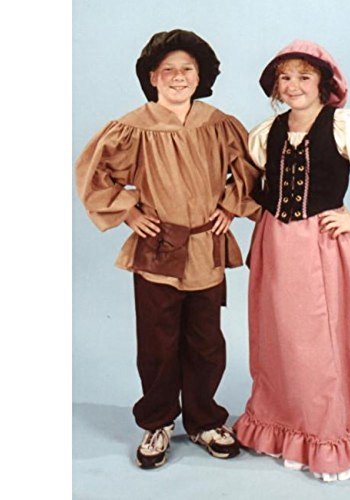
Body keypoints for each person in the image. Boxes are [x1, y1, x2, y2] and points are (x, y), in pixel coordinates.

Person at [76, 29, 261, 469]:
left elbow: (250, 172)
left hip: (205, 246)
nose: (178, 77)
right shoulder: (133, 128)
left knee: (206, 341)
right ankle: (157, 422)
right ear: (152, 77)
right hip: (158, 247)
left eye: (187, 69)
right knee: (158, 343)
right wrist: (129, 212)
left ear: (201, 76)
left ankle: (203, 420)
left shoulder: (219, 124)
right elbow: (95, 175)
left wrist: (229, 207)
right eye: (168, 70)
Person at [234, 40, 350, 482]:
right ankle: (282, 424)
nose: (293, 85)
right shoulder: (267, 132)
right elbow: (256, 189)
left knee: (320, 338)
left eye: (304, 77)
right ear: (275, 86)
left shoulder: (344, 127)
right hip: (275, 241)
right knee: (278, 334)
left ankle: (327, 433)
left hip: (321, 243)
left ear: (323, 84)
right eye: (285, 78)